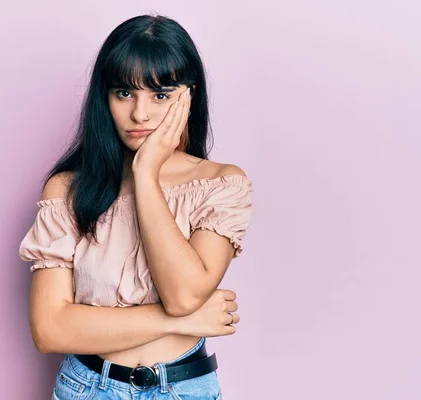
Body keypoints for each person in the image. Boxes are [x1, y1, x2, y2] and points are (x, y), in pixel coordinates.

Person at [18, 13, 254, 400]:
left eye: (160, 95)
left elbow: (184, 294)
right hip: (87, 388)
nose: (139, 114)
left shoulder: (220, 184)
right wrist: (182, 321)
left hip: (184, 389)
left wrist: (146, 172)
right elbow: (50, 330)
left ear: (188, 96)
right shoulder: (68, 189)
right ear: (104, 96)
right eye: (124, 93)